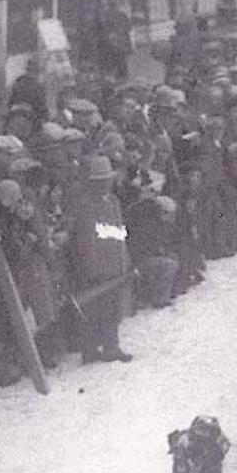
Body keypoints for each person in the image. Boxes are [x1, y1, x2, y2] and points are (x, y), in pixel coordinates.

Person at [65, 154, 134, 363]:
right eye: (101, 181)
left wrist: (125, 259)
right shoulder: (85, 205)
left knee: (113, 307)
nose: (105, 184)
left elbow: (119, 232)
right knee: (95, 308)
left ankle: (111, 345)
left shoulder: (113, 201)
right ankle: (91, 348)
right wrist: (92, 268)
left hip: (115, 262)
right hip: (97, 266)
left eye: (107, 180)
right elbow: (86, 240)